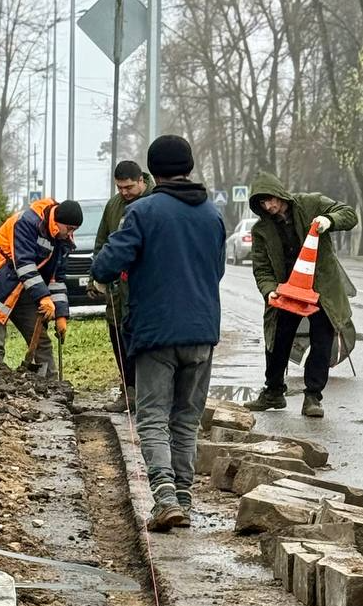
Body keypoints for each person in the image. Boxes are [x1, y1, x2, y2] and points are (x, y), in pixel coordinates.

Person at [91, 135, 225, 531]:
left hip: (156, 332)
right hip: (202, 331)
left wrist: (106, 273)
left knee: (151, 417)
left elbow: (108, 264)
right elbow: (215, 271)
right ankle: (184, 497)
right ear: (189, 167)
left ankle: (165, 498)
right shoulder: (213, 215)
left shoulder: (143, 211)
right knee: (186, 418)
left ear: (153, 172)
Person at [243, 172, 358, 419]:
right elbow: (261, 268)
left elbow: (349, 214)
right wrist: (269, 290)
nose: (269, 206)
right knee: (277, 340)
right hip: (287, 292)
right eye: (262, 203)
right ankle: (273, 392)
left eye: (271, 199)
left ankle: (313, 397)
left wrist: (329, 220)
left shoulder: (311, 203)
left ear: (280, 193)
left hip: (320, 291)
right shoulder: (262, 230)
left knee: (321, 341)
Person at [0, 197, 83, 373]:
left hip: (24, 287)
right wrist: (43, 298)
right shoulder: (27, 222)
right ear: (57, 221)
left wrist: (61, 314)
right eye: (69, 228)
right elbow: (24, 263)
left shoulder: (62, 239)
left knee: (42, 341)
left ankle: (52, 386)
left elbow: (56, 279)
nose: (70, 233)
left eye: (74, 230)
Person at [89, 160, 155, 411]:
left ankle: (147, 395)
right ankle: (128, 393)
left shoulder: (153, 202)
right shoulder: (113, 206)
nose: (124, 192)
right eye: (120, 188)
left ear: (141, 181)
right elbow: (101, 244)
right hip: (117, 293)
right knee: (119, 341)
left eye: (128, 187)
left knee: (144, 346)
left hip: (142, 291)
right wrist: (94, 278)